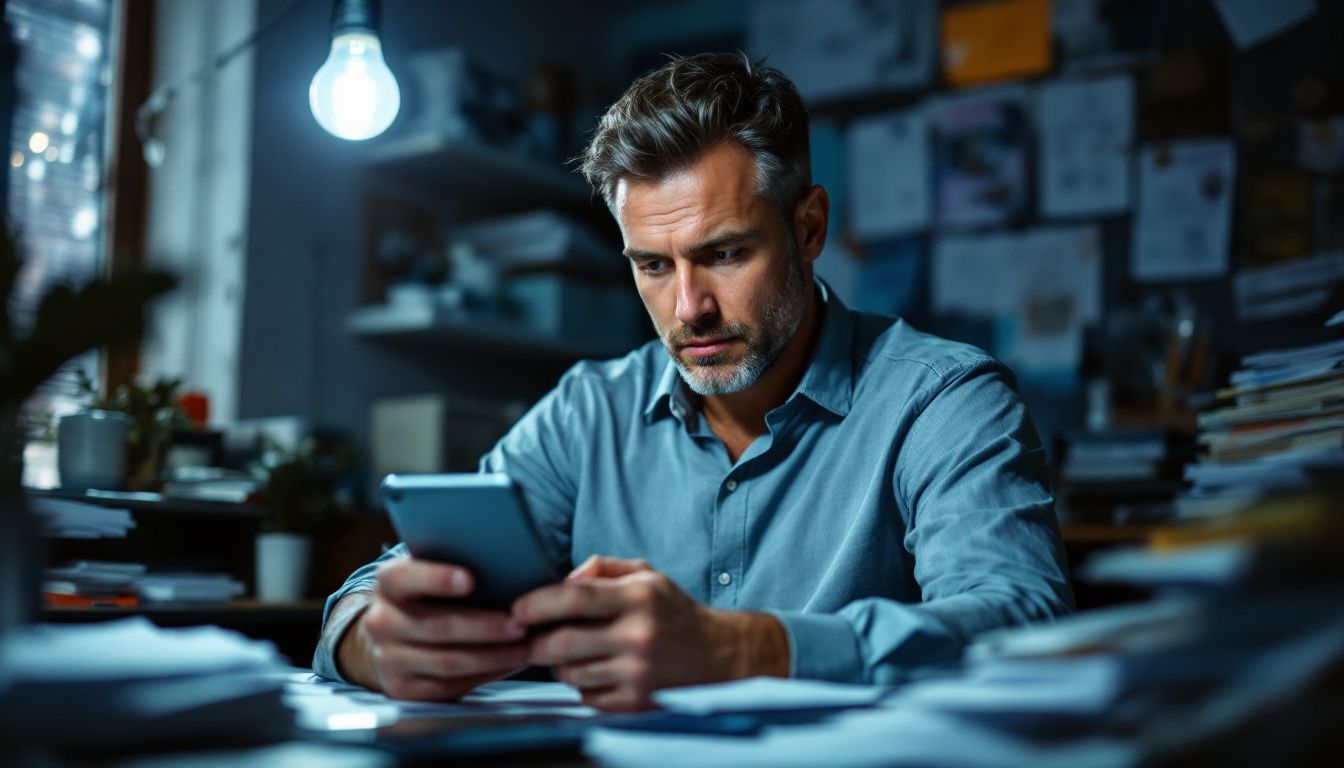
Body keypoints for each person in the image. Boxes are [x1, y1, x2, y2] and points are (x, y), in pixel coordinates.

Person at [314, 52, 1073, 712]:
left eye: (726, 254)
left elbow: (1022, 628)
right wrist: (373, 641)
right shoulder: (590, 411)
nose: (689, 309)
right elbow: (391, 583)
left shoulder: (943, 399)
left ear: (809, 229)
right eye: (652, 265)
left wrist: (741, 650)